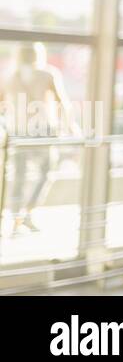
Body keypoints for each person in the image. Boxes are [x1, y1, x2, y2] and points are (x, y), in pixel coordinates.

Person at [1, 43, 77, 234]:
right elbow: (63, 103)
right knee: (47, 171)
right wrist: (71, 127)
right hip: (42, 130)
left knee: (18, 175)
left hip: (17, 130)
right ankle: (27, 212)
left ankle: (17, 218)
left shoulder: (9, 77)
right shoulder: (47, 74)